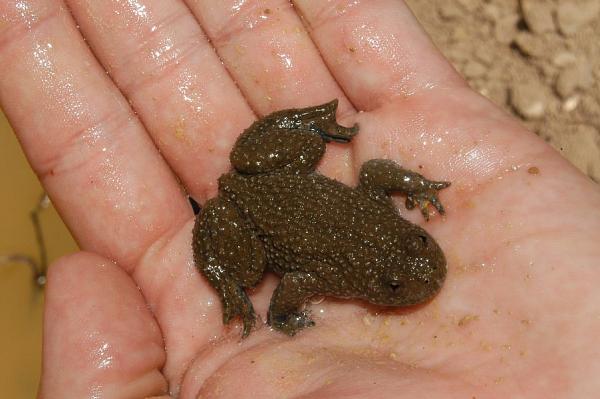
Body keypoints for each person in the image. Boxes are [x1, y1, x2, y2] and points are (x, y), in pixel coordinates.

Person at [1, 1, 599, 397]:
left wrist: (408, 185)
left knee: (255, 209)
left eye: (417, 241)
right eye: (400, 272)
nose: (421, 268)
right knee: (245, 259)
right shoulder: (339, 259)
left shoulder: (354, 241)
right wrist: (274, 308)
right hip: (246, 206)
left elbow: (360, 197)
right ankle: (234, 279)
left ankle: (251, 251)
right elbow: (365, 191)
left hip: (274, 180)